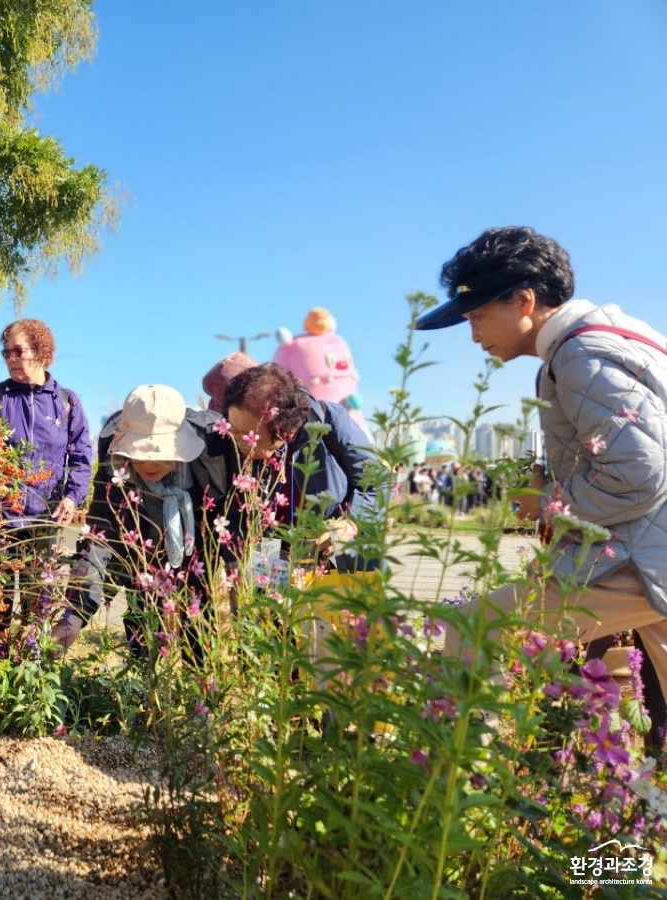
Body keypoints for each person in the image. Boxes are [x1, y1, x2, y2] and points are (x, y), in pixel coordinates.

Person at [418, 225, 667, 707]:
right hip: (655, 545)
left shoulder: (579, 354)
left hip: (644, 554)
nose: (474, 336)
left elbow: (639, 472)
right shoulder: (621, 333)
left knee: (475, 624)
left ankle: (465, 777)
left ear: (524, 300)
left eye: (478, 317)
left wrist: (549, 503)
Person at [52, 384, 232, 655]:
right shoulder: (112, 454)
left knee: (198, 629)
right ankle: (143, 680)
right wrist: (73, 616)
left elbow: (232, 512)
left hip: (196, 548)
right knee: (143, 628)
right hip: (141, 552)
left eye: (161, 454)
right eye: (140, 454)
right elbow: (101, 532)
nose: (150, 464)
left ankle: (202, 685)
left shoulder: (214, 447)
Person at [222, 363, 382, 572]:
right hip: (271, 550)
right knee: (270, 604)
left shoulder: (330, 421)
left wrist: (350, 524)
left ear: (283, 430)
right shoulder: (239, 448)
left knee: (333, 604)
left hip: (332, 552)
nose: (238, 439)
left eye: (248, 434)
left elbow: (378, 482)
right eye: (233, 429)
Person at [0, 319, 91, 530]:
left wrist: (71, 498)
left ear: (41, 352)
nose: (11, 359)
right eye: (6, 353)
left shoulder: (66, 402)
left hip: (47, 520)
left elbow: (81, 459)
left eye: (18, 351)